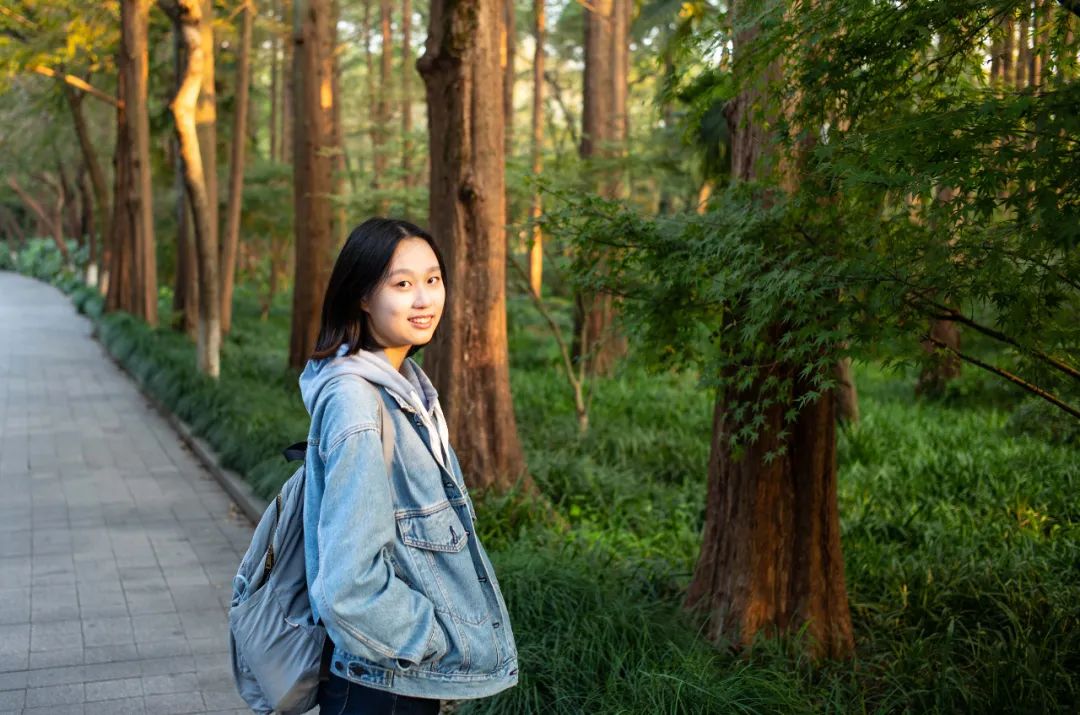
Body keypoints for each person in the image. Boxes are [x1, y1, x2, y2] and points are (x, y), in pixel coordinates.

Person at [298, 218, 519, 714]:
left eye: (433, 280)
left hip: (395, 677)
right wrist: (433, 638)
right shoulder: (358, 402)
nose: (424, 300)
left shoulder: (403, 388)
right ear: (361, 295)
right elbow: (346, 585)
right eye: (402, 284)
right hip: (383, 684)